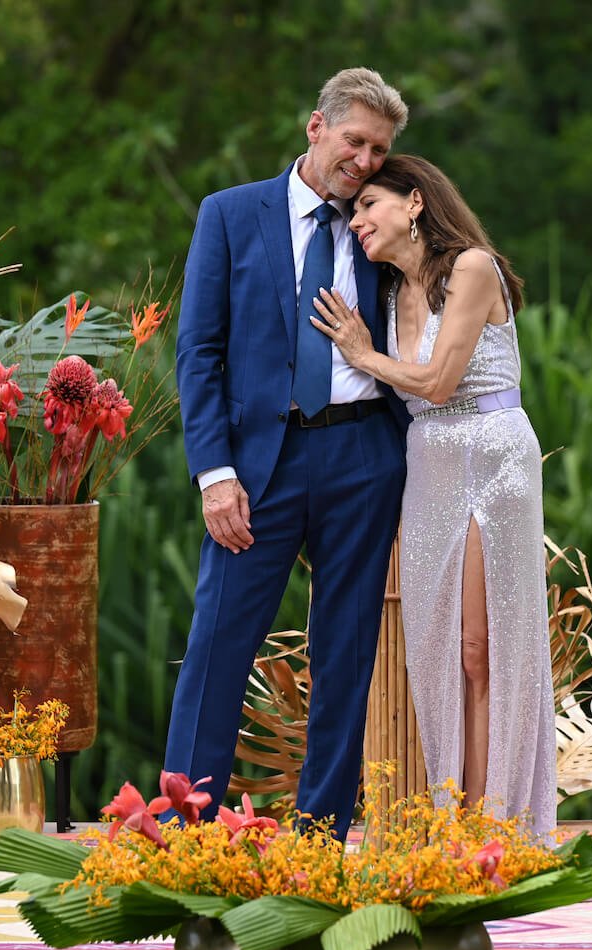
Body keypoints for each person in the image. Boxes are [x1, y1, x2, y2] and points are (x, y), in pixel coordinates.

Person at [164, 68, 412, 840]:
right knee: (217, 647)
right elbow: (199, 352)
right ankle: (187, 833)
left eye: (379, 149)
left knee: (344, 657)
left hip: (366, 457)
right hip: (258, 469)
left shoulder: (380, 227)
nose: (366, 161)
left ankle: (320, 838)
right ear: (316, 127)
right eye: (355, 141)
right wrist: (215, 474)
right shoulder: (232, 215)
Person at [311, 154, 556, 832]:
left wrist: (364, 357)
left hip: (491, 454)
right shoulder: (389, 295)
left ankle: (494, 825)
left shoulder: (474, 268)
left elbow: (442, 382)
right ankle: (457, 818)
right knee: (438, 648)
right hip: (430, 466)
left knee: (482, 646)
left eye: (368, 205)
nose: (356, 219)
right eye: (353, 211)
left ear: (414, 203)